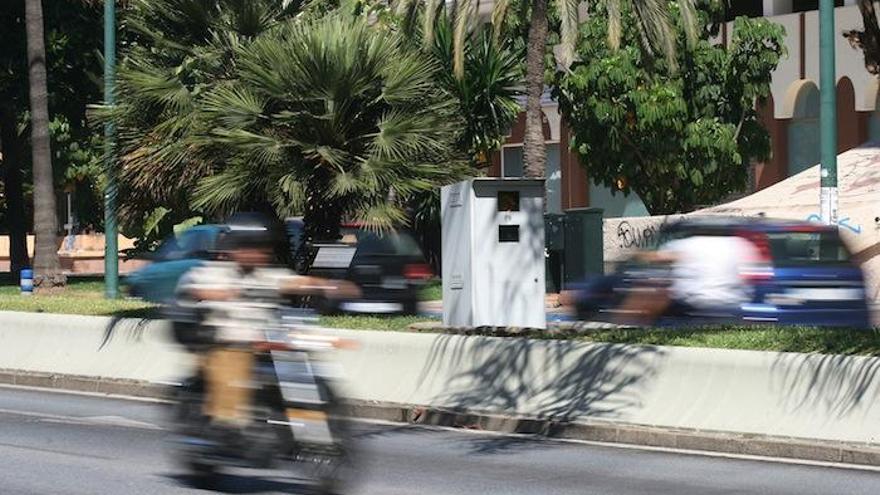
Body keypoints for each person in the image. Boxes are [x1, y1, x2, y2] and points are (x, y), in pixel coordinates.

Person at [174, 212, 360, 430]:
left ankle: (304, 418)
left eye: (261, 247)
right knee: (231, 368)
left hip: (264, 341)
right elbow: (196, 289)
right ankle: (226, 424)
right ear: (236, 248)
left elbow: (294, 282)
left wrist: (330, 287)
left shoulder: (267, 275)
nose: (256, 253)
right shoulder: (216, 273)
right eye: (249, 247)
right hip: (229, 344)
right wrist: (224, 293)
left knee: (302, 354)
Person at [614, 232, 760, 325]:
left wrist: (636, 254)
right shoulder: (740, 244)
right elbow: (752, 274)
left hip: (696, 304)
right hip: (733, 305)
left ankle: (625, 326)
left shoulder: (690, 243)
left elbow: (661, 257)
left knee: (650, 292)